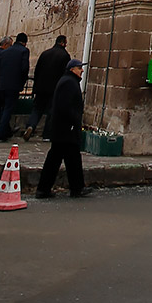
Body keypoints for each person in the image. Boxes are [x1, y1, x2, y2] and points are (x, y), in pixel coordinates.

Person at [35, 58, 90, 199]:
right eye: (79, 68)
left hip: (63, 129)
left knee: (62, 159)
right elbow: (66, 107)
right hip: (66, 128)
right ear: (72, 69)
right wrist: (74, 122)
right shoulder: (69, 83)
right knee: (66, 159)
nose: (82, 70)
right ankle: (75, 188)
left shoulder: (68, 81)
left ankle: (49, 189)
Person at [23, 34, 69, 141]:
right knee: (51, 111)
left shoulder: (45, 53)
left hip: (41, 87)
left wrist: (35, 87)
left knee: (37, 109)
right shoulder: (64, 55)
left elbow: (37, 71)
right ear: (62, 43)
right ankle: (47, 135)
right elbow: (64, 74)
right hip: (54, 89)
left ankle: (31, 126)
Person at [0, 32, 31, 141]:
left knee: (3, 108)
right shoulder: (24, 51)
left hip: (2, 84)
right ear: (25, 42)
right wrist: (22, 82)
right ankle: (0, 135)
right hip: (14, 85)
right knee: (8, 109)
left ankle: (5, 131)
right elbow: (24, 68)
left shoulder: (5, 52)